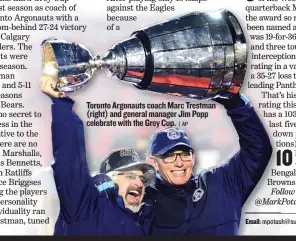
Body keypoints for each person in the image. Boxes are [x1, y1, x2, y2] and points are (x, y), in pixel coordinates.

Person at [40, 76, 156, 235]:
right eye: (129, 176)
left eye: (142, 179)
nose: (139, 183)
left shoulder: (142, 223)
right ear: (108, 179)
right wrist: (61, 104)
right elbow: (69, 163)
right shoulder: (85, 208)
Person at [145, 93, 273, 235]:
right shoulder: (141, 203)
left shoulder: (221, 185)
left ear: (193, 157)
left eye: (185, 155)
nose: (179, 163)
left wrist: (235, 103)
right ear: (153, 162)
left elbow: (258, 149)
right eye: (169, 156)